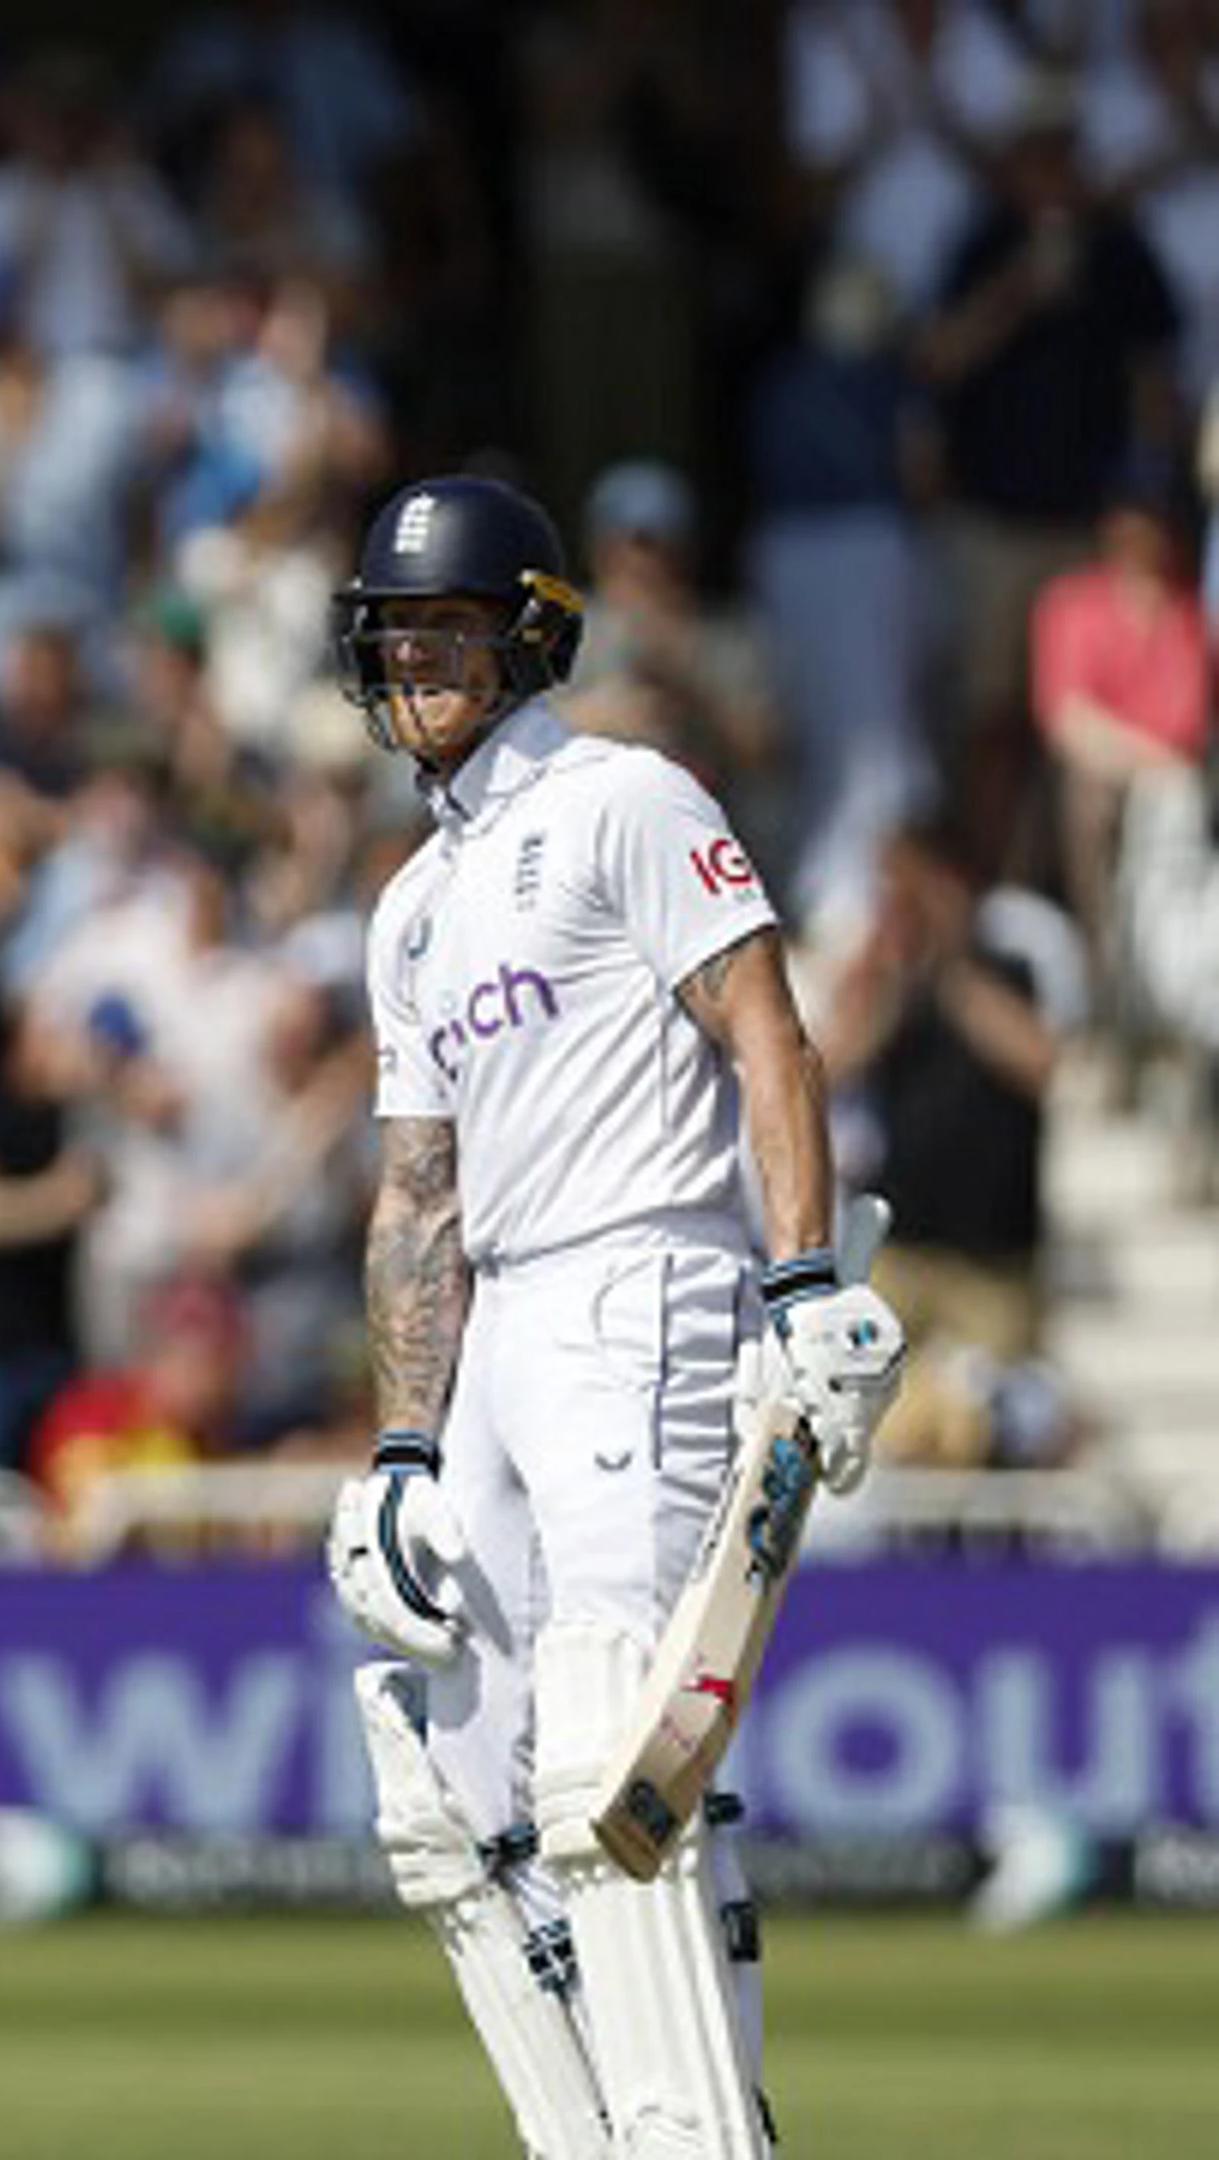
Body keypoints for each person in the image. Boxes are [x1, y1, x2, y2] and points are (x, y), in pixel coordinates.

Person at [317, 475, 905, 2158]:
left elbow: (767, 1034)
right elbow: (418, 1198)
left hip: (648, 1272)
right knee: (463, 1793)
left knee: (627, 1752)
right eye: (394, 635)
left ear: (528, 639)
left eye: (446, 630)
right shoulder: (410, 910)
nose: (416, 664)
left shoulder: (626, 799)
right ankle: (600, 2135)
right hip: (504, 1317)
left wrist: (797, 1281)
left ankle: (708, 2133)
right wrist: (405, 1448)